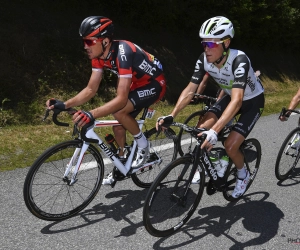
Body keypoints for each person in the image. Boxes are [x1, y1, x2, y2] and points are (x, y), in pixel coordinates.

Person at [46, 16, 166, 185]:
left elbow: (121, 99)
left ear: (105, 41)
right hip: (135, 84)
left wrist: (91, 114)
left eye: (89, 41)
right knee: (118, 127)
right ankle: (122, 163)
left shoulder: (123, 52)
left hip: (154, 84)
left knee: (119, 111)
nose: (85, 46)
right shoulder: (98, 56)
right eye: (84, 42)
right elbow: (90, 89)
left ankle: (143, 146)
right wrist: (65, 104)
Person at [157, 16, 264, 198]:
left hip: (252, 102)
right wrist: (172, 114)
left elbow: (238, 100)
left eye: (212, 44)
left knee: (230, 145)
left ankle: (242, 175)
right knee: (200, 130)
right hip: (230, 97)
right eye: (204, 44)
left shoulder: (239, 60)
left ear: (226, 43)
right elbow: (190, 89)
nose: (207, 49)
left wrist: (215, 131)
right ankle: (214, 161)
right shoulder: (204, 59)